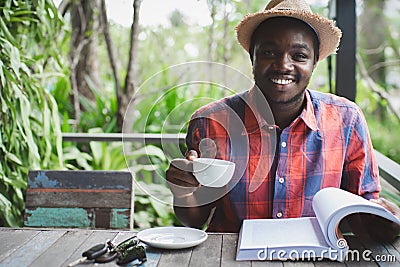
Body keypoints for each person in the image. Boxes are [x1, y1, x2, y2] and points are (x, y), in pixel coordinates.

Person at [166, 0, 399, 238]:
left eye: (299, 55)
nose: (283, 65)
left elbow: (364, 215)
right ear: (252, 57)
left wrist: (386, 219)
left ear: (314, 62)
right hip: (230, 258)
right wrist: (183, 193)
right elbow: (195, 220)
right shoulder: (210, 122)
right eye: (269, 52)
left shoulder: (347, 120)